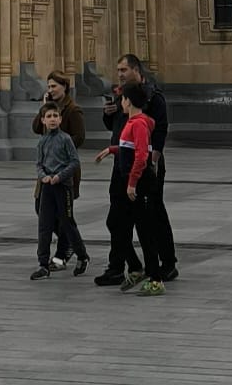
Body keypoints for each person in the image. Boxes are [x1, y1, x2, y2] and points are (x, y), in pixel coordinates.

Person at [101, 52, 176, 280]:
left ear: (136, 70)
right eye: (118, 71)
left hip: (144, 167)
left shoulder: (153, 97)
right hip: (122, 164)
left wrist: (152, 162)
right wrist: (107, 115)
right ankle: (120, 266)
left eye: (123, 70)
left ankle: (166, 263)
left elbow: (160, 130)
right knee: (117, 217)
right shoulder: (121, 96)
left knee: (151, 216)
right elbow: (115, 126)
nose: (120, 75)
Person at [92, 87, 163, 293]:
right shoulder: (131, 123)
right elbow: (128, 147)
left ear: (129, 101)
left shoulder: (139, 123)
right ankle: (135, 266)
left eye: (122, 99)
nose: (120, 103)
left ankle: (155, 278)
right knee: (115, 223)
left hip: (139, 184)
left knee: (144, 230)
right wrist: (111, 150)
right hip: (128, 182)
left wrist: (132, 183)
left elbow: (142, 156)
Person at [29, 100, 87, 279]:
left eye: (55, 116)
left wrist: (60, 176)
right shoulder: (43, 141)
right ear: (43, 120)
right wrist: (43, 176)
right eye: (49, 116)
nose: (52, 119)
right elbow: (39, 164)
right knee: (44, 225)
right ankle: (43, 264)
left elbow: (74, 161)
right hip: (47, 187)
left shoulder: (65, 139)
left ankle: (82, 256)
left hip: (63, 187)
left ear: (60, 119)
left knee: (67, 222)